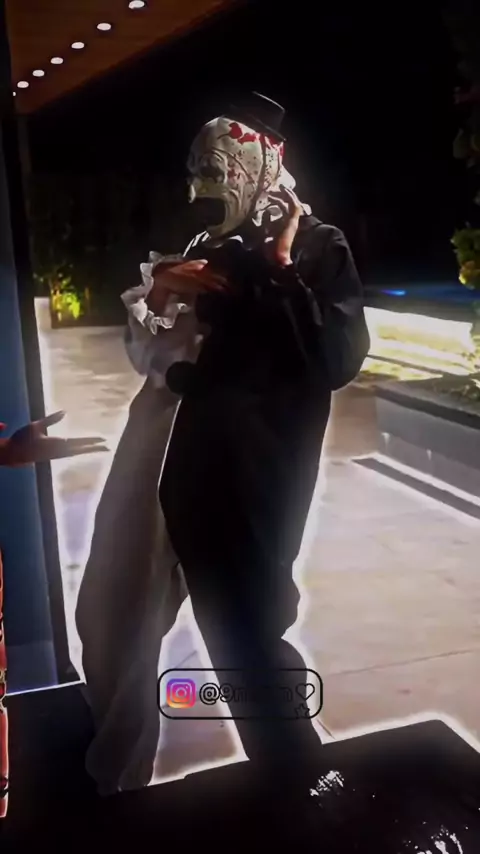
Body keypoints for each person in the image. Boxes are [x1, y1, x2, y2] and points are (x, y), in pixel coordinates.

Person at [155, 92, 370, 789]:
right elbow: (176, 355)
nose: (204, 192)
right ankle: (285, 774)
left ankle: (299, 776)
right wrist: (162, 290)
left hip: (265, 465)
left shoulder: (316, 246)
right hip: (195, 466)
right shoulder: (211, 247)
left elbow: (335, 361)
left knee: (255, 619)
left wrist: (281, 271)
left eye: (218, 174)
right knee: (228, 628)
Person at [0, 411, 107, 466]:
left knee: (68, 447)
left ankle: (99, 443)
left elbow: (2, 427)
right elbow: (2, 426)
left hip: (21, 448)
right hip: (22, 447)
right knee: (68, 446)